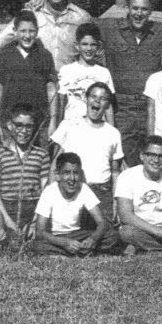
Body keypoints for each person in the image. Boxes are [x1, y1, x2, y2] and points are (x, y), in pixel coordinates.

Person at [98, 0, 162, 167]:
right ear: (127, 8)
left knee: (153, 156)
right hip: (122, 108)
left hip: (150, 108)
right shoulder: (110, 28)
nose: (139, 13)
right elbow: (83, 24)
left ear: (151, 11)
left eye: (144, 9)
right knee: (122, 158)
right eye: (135, 8)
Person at [0, 0, 92, 71]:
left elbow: (96, 53)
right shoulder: (31, 13)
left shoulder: (81, 18)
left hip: (71, 78)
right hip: (37, 78)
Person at [50, 82, 123, 224]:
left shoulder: (113, 133)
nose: (97, 101)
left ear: (108, 105)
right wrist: (52, 193)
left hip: (101, 192)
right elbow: (55, 164)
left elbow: (115, 172)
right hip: (73, 189)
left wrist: (115, 201)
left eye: (103, 98)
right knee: (70, 231)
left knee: (106, 232)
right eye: (93, 96)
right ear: (86, 99)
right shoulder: (69, 125)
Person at [34, 153, 120, 256]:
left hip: (78, 236)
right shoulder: (49, 192)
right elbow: (40, 231)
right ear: (57, 175)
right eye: (66, 173)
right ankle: (81, 253)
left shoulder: (83, 188)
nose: (72, 178)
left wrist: (92, 239)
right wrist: (63, 243)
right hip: (57, 237)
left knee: (112, 235)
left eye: (75, 173)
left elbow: (102, 222)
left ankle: (73, 252)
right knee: (38, 246)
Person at [0, 10, 58, 145]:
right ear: (15, 31)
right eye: (23, 31)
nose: (27, 36)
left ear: (37, 31)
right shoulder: (4, 55)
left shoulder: (45, 55)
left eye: (31, 31)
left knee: (39, 157)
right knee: (11, 157)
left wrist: (52, 123)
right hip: (10, 123)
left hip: (39, 124)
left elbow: (51, 90)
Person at [0, 104, 50, 234]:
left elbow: (45, 193)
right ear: (10, 125)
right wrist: (7, 220)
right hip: (7, 209)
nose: (24, 131)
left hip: (34, 209)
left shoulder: (41, 155)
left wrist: (34, 223)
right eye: (19, 125)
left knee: (38, 238)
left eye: (29, 126)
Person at [57, 22, 115, 123]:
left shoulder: (104, 72)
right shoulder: (66, 70)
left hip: (97, 127)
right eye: (84, 44)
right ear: (77, 46)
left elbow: (108, 107)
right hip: (72, 125)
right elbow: (61, 104)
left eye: (93, 44)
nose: (89, 49)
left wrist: (112, 128)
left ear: (98, 46)